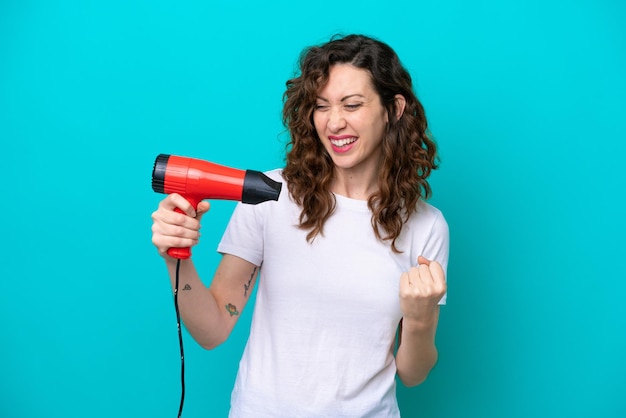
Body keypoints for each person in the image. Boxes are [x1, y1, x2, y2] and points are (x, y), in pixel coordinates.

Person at [151, 33, 449, 418]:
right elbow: (212, 331)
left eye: (352, 105)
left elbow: (412, 374)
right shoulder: (267, 197)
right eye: (321, 106)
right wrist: (176, 258)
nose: (334, 122)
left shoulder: (426, 226)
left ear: (393, 108)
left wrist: (421, 317)